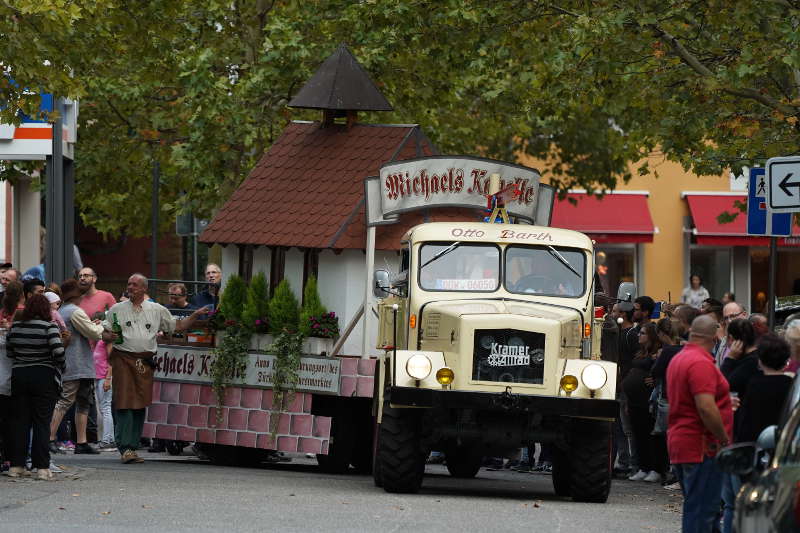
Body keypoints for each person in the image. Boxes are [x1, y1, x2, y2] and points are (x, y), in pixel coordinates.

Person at [102, 273, 208, 464]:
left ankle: (132, 446)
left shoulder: (156, 309)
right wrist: (108, 336)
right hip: (123, 359)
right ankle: (125, 447)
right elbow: (105, 333)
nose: (130, 287)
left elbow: (177, 326)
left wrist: (194, 315)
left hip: (145, 362)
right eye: (129, 284)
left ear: (144, 289)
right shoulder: (116, 309)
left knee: (140, 403)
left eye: (134, 285)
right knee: (125, 402)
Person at [667, 314, 733, 533]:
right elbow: (705, 406)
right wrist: (723, 438)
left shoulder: (680, 358)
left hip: (683, 443)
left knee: (701, 508)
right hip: (702, 446)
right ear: (714, 336)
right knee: (702, 511)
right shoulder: (700, 363)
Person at [5, 294, 65, 479]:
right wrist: (60, 366)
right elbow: (58, 352)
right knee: (41, 422)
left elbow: (9, 352)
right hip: (43, 376)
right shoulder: (49, 327)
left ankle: (16, 465)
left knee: (20, 422)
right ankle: (41, 468)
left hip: (20, 376)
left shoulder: (15, 327)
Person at [47, 279, 104, 455]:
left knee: (81, 402)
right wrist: (101, 325)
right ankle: (50, 439)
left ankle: (81, 442)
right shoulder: (75, 311)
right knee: (68, 401)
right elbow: (93, 333)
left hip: (75, 363)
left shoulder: (62, 310)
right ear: (77, 296)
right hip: (77, 364)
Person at [624, 322, 666, 482]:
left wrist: (655, 380)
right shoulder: (641, 352)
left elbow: (660, 370)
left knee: (651, 434)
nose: (639, 335)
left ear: (651, 336)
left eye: (642, 333)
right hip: (634, 399)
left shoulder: (658, 353)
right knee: (638, 434)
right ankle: (643, 466)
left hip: (647, 398)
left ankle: (656, 468)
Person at [93, 339, 115, 450]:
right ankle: (109, 439)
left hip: (104, 377)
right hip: (97, 377)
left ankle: (107, 440)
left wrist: (108, 378)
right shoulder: (98, 341)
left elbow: (112, 360)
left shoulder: (107, 341)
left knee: (106, 408)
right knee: (102, 409)